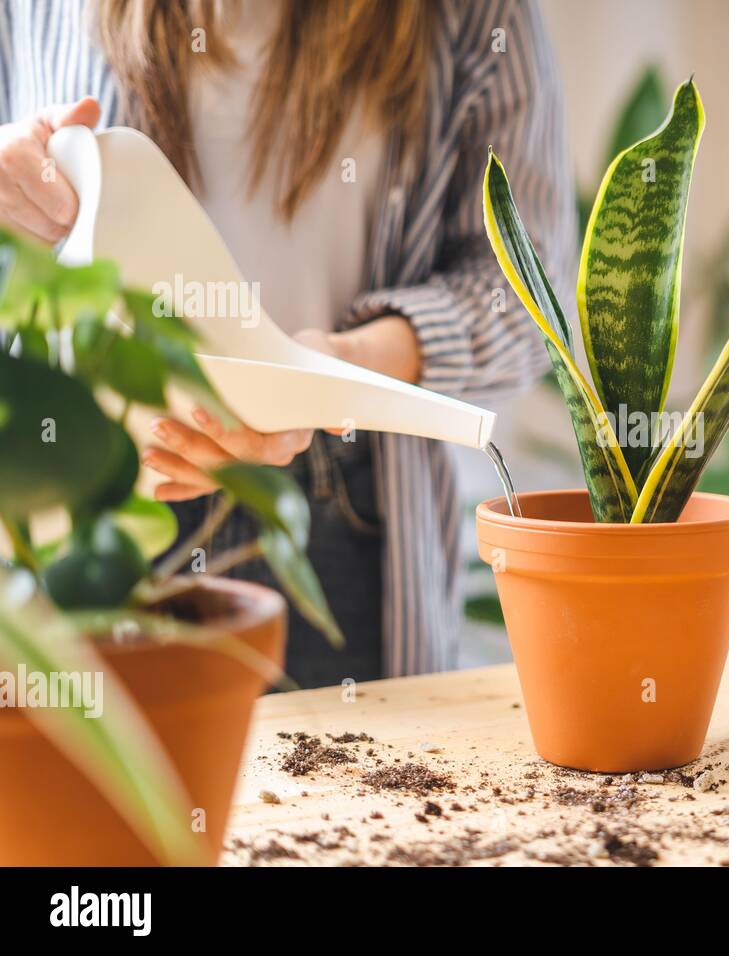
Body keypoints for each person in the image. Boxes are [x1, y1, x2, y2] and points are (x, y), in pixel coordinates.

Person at [0, 0, 574, 686]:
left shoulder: (473, 14)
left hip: (348, 502)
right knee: (100, 787)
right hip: (103, 490)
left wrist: (344, 364)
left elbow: (527, 295)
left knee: (358, 782)